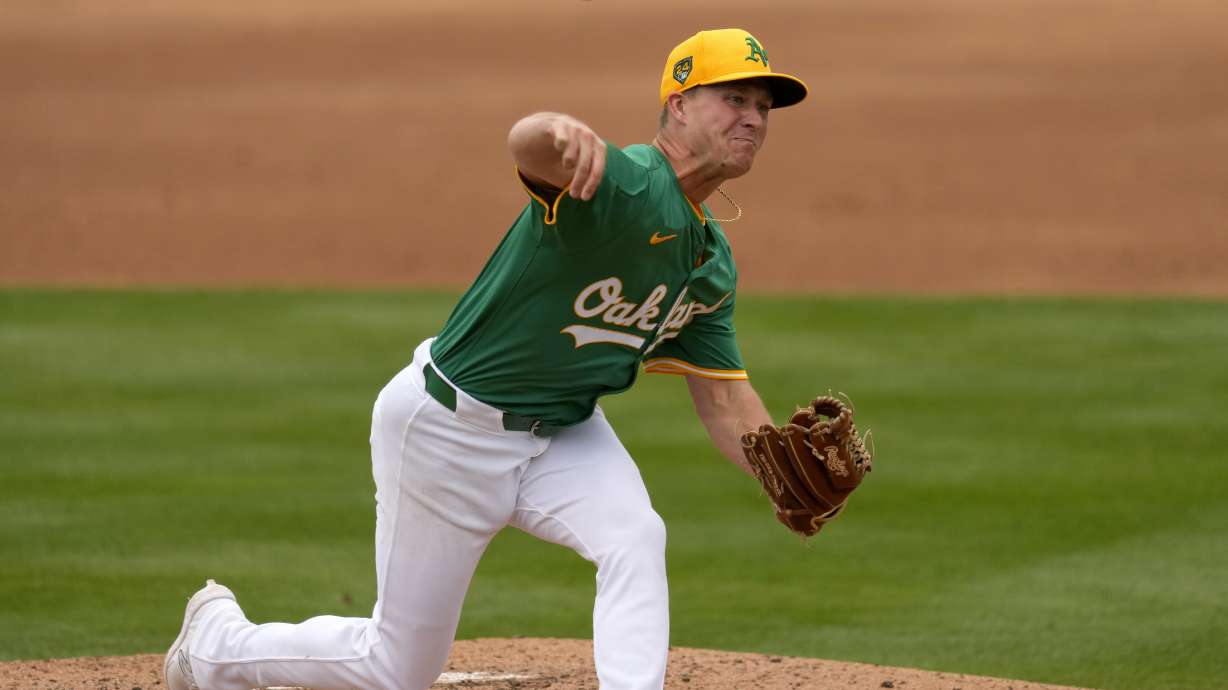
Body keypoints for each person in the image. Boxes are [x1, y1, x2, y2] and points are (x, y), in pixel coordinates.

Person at [164, 28, 808, 690]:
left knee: (635, 536)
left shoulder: (710, 263)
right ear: (678, 104)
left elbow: (726, 398)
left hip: (563, 432)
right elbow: (528, 145)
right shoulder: (625, 183)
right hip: (448, 429)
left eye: (762, 107)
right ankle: (214, 646)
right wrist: (551, 127)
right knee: (397, 668)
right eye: (734, 99)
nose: (753, 119)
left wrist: (777, 468)